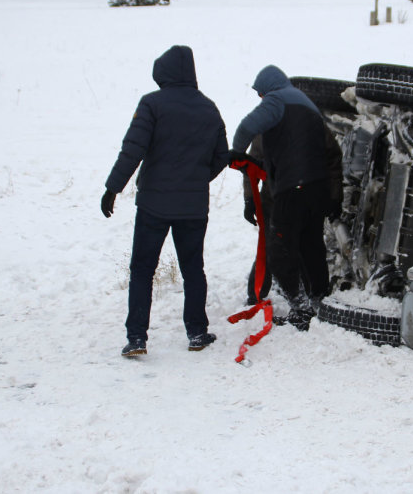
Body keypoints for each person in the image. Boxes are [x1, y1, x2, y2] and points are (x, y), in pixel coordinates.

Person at [102, 45, 228, 357]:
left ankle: (137, 338)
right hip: (193, 207)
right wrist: (196, 179)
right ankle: (197, 332)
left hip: (153, 205)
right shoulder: (209, 108)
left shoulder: (152, 104)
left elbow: (133, 149)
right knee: (193, 269)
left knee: (143, 270)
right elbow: (222, 156)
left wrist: (113, 188)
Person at [230, 65, 333, 331]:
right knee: (312, 245)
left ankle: (300, 306)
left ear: (267, 90)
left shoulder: (276, 101)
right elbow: (332, 150)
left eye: (260, 95)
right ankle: (320, 298)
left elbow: (247, 126)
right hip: (318, 187)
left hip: (292, 188)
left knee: (278, 250)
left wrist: (235, 151)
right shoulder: (309, 105)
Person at [242, 129, 344, 305]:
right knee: (281, 248)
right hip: (285, 200)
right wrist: (250, 199)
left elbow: (333, 159)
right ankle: (258, 295)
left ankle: (314, 294)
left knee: (305, 248)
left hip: (302, 200)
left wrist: (335, 197)